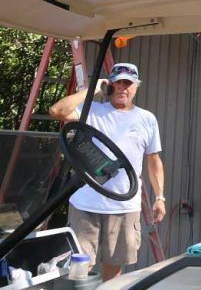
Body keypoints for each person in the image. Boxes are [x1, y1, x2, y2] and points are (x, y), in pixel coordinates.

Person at [49, 63, 165, 281]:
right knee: (78, 270)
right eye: (117, 83)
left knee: (114, 272)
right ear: (110, 85)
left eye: (128, 84)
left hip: (124, 206)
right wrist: (95, 87)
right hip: (85, 205)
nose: (122, 88)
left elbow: (154, 161)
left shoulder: (147, 119)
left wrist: (160, 197)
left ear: (136, 87)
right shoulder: (92, 110)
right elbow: (57, 111)